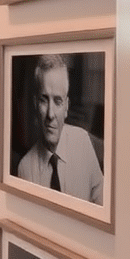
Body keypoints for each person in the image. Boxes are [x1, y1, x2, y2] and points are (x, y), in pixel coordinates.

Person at [16, 54, 103, 205]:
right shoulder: (25, 168)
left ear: (67, 107)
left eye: (58, 101)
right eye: (44, 100)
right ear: (36, 104)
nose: (50, 114)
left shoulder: (82, 142)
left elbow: (103, 204)